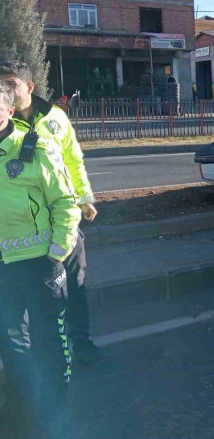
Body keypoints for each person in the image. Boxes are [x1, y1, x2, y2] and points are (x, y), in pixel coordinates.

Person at [0, 60, 98, 363]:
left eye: (11, 84)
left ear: (29, 87)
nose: (6, 90)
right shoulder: (5, 122)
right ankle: (37, 363)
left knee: (75, 287)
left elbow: (73, 158)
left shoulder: (56, 117)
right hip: (28, 234)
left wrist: (84, 198)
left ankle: (81, 345)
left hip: (63, 219)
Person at [0, 80, 81, 438]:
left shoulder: (33, 148)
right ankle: (20, 406)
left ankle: (57, 400)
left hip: (38, 262)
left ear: (10, 110)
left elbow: (65, 201)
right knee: (11, 341)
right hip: (2, 268)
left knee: (50, 336)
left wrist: (58, 252)